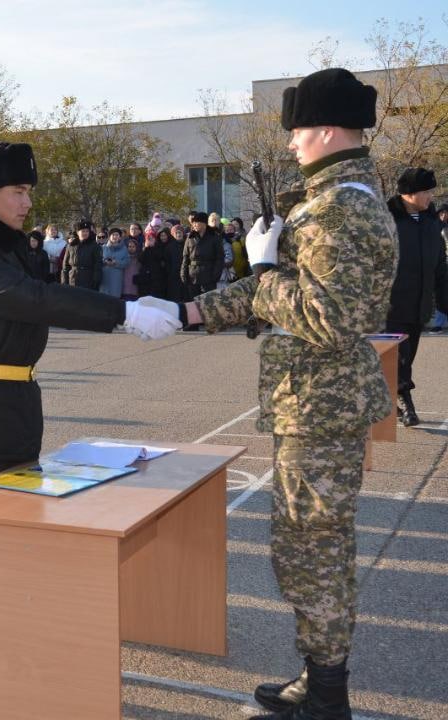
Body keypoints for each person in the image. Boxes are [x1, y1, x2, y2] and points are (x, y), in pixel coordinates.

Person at [0, 140, 181, 692]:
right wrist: (122, 312)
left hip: (12, 404)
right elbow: (32, 299)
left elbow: (38, 294)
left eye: (28, 192)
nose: (27, 202)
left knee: (14, 523)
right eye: (19, 191)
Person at [179, 68, 395, 718]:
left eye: (298, 130)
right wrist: (190, 312)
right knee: (308, 546)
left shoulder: (343, 206)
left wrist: (267, 268)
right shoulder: (330, 198)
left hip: (322, 408)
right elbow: (279, 294)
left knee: (314, 549)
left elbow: (329, 316)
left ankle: (327, 692)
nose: (293, 142)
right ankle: (318, 676)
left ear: (327, 130)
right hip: (313, 403)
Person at [384, 168, 448, 426]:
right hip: (391, 306)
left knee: (406, 357)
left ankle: (390, 397)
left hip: (419, 307)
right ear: (410, 194)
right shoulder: (388, 222)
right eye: (427, 191)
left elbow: (440, 267)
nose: (431, 197)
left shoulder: (433, 223)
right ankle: (405, 402)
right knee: (399, 356)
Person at [181, 211, 224, 298]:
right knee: (194, 303)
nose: (195, 225)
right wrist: (183, 273)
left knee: (209, 303)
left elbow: (220, 258)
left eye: (197, 222)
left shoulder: (214, 237)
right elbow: (185, 257)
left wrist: (215, 276)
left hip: (209, 275)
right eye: (193, 223)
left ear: (204, 223)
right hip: (192, 276)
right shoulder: (190, 237)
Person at [59, 219, 102, 290]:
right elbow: (65, 266)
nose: (85, 233)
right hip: (73, 280)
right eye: (83, 231)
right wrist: (64, 282)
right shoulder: (71, 246)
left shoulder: (94, 246)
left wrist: (96, 280)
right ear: (77, 232)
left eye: (87, 231)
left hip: (88, 280)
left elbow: (98, 265)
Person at [100, 228, 130, 297]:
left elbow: (126, 262)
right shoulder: (103, 248)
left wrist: (116, 262)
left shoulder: (124, 249)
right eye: (113, 235)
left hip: (117, 277)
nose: (115, 237)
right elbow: (98, 260)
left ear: (120, 237)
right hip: (104, 277)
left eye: (117, 235)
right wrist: (105, 261)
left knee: (114, 299)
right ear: (109, 236)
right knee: (103, 298)